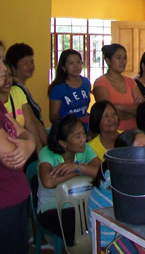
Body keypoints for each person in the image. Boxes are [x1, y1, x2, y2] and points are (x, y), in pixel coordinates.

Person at [37, 114, 100, 247]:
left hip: (82, 203)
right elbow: (48, 182)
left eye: (84, 134)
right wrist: (75, 173)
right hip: (51, 208)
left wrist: (78, 167)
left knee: (101, 216)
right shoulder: (47, 153)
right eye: (78, 136)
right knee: (76, 224)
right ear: (63, 143)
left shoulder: (85, 148)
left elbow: (101, 172)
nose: (84, 139)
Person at [0, 40, 36, 254]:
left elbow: (25, 134)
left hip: (14, 199)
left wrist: (29, 143)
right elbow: (12, 155)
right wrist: (26, 144)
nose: (4, 68)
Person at [89, 129, 145, 249]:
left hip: (129, 234)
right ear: (124, 153)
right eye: (141, 148)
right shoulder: (112, 174)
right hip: (110, 243)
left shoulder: (136, 171)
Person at [93, 44, 143, 131]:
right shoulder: (100, 83)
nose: (122, 61)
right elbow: (107, 114)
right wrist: (133, 112)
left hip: (134, 132)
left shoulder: (131, 82)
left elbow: (142, 109)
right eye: (118, 58)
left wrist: (119, 107)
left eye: (125, 58)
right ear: (108, 60)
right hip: (112, 133)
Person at [1, 60, 47, 153]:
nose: (7, 80)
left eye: (9, 75)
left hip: (23, 148)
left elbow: (30, 124)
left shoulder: (17, 92)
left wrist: (39, 150)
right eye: (3, 76)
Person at [48, 49, 91, 131]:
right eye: (71, 63)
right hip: (66, 131)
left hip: (84, 128)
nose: (76, 66)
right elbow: (53, 117)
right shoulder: (58, 88)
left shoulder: (86, 82)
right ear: (63, 67)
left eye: (78, 62)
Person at [5, 42, 44, 125]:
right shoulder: (16, 89)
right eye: (25, 63)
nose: (30, 66)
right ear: (12, 67)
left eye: (31, 62)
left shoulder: (22, 87)